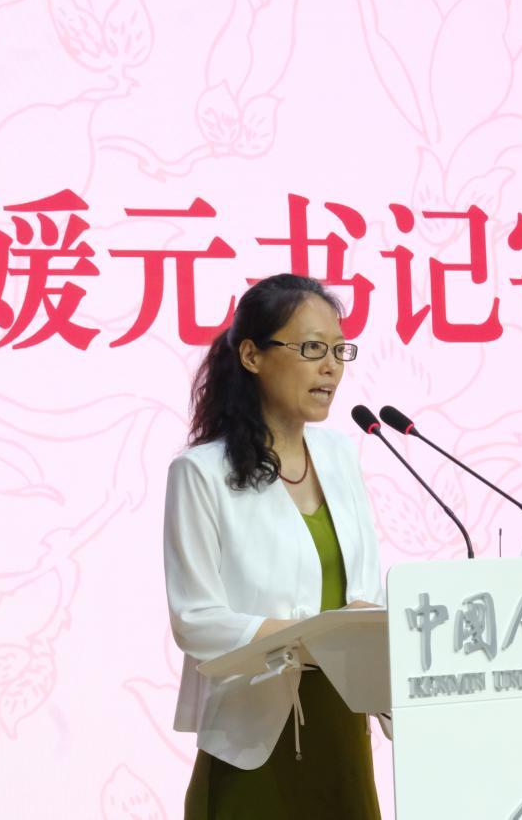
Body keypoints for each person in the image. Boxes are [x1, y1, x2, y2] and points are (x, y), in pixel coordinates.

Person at [163, 273, 384, 818]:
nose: (331, 367)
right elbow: (196, 620)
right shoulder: (201, 473)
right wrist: (313, 636)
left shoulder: (340, 455)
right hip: (253, 733)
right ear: (252, 355)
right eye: (311, 348)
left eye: (339, 350)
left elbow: (365, 591)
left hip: (341, 719)